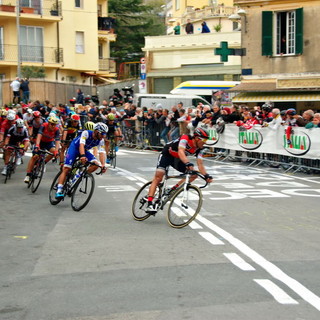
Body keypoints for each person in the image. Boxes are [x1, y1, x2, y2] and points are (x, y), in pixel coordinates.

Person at [146, 127, 213, 214]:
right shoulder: (185, 138)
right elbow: (181, 151)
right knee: (158, 178)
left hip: (177, 159)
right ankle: (150, 203)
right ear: (196, 138)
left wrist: (206, 175)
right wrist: (188, 163)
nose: (205, 143)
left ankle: (173, 189)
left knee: (194, 174)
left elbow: (200, 164)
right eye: (204, 140)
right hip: (167, 155)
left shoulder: (200, 148)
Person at [55, 122, 108, 198]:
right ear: (96, 131)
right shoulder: (86, 133)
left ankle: (78, 176)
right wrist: (82, 156)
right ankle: (59, 190)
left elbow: (102, 152)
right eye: (102, 134)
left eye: (105, 134)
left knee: (95, 165)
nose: (104, 136)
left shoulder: (101, 140)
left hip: (85, 150)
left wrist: (103, 165)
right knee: (67, 168)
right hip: (75, 148)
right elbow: (81, 144)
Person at [24, 116, 60, 183]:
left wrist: (56, 151)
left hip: (49, 143)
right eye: (52, 124)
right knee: (35, 157)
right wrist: (37, 145)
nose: (53, 126)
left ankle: (43, 163)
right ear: (48, 123)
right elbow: (39, 135)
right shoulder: (43, 126)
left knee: (53, 152)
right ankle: (28, 175)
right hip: (41, 142)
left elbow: (57, 141)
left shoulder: (56, 130)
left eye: (55, 125)